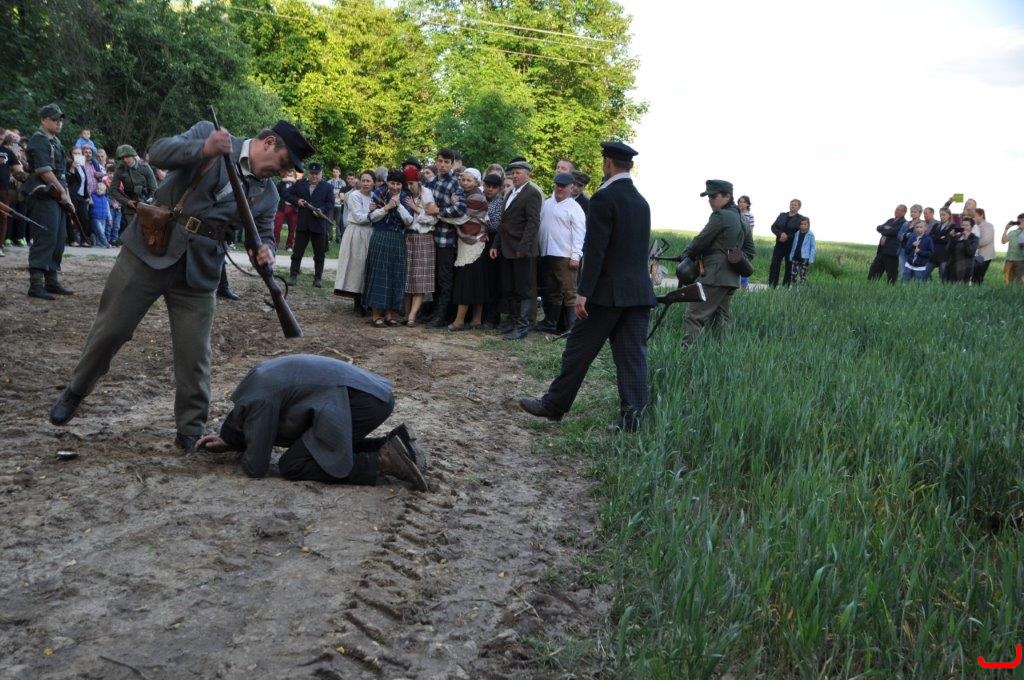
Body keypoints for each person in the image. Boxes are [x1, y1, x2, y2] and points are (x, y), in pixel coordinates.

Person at [49, 118, 315, 452]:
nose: (284, 172)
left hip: (199, 271)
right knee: (111, 330)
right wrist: (204, 149)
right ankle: (76, 390)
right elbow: (158, 153)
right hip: (150, 248)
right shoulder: (211, 137)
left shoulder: (268, 193)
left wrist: (266, 250)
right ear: (269, 143)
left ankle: (190, 429)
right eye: (285, 162)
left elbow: (262, 233)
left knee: (195, 354)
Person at [519, 141, 654, 432]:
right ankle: (633, 422)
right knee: (632, 359)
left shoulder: (605, 197)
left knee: (578, 351)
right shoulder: (641, 201)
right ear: (629, 165)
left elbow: (596, 250)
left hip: (606, 295)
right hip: (638, 294)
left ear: (608, 163)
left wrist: (584, 292)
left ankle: (553, 405)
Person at [195, 355, 427, 491]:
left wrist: (246, 443)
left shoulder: (259, 402)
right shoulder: (256, 381)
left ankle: (384, 462)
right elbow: (251, 420)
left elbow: (256, 467)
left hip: (364, 402)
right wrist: (229, 440)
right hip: (372, 392)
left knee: (294, 463)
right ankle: (394, 445)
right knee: (315, 445)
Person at [680, 179, 755, 345]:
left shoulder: (720, 215)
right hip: (731, 278)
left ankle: (686, 354)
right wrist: (735, 261)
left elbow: (700, 241)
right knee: (721, 319)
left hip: (714, 276)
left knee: (694, 316)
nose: (710, 200)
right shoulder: (743, 219)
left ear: (727, 196)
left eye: (714, 196)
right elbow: (750, 251)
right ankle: (723, 353)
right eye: (709, 197)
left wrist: (686, 255)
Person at [22, 104, 76, 299]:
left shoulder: (55, 141)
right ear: (43, 120)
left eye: (60, 120)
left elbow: (61, 173)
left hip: (56, 195)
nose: (58, 123)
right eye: (54, 119)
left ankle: (51, 281)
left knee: (59, 238)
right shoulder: (38, 140)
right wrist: (62, 192)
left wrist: (67, 196)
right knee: (46, 236)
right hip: (43, 195)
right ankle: (36, 284)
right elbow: (45, 171)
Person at [490, 159, 542, 340]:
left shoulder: (532, 193)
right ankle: (512, 321)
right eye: (512, 173)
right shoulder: (510, 193)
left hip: (521, 250)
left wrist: (523, 247)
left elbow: (533, 223)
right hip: (506, 248)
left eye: (518, 172)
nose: (514, 175)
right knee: (509, 287)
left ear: (528, 174)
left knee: (524, 289)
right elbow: (503, 222)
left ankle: (523, 325)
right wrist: (495, 244)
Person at [536, 172, 586, 333]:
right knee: (552, 291)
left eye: (563, 186)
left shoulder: (575, 208)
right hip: (547, 253)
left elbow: (579, 233)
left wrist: (575, 256)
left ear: (571, 188)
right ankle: (552, 323)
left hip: (565, 255)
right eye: (558, 185)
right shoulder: (547, 203)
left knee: (569, 291)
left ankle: (572, 327)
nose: (560, 188)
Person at [423, 148, 467, 328]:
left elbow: (461, 209)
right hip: (431, 236)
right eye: (440, 161)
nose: (442, 165)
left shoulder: (455, 184)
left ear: (452, 164)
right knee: (433, 278)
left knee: (445, 278)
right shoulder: (431, 183)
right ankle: (435, 311)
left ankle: (443, 315)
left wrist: (439, 211)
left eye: (446, 162)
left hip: (446, 239)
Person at [363, 169, 411, 326]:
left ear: (402, 185)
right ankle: (376, 314)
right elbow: (371, 217)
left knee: (394, 275)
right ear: (387, 182)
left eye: (398, 184)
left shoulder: (406, 197)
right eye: (392, 183)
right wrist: (387, 207)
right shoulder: (379, 193)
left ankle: (389, 314)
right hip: (380, 236)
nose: (395, 187)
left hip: (398, 239)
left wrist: (399, 206)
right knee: (379, 273)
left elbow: (409, 221)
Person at [449, 168, 490, 330]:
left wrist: (438, 213)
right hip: (471, 242)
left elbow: (461, 218)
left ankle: (459, 321)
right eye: (463, 180)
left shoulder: (476, 196)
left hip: (474, 243)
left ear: (476, 182)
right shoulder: (467, 194)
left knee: (465, 281)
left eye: (469, 180)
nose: (465, 183)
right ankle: (476, 319)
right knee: (477, 281)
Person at [285, 162, 334, 288]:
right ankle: (293, 275)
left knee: (319, 254)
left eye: (316, 174)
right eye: (312, 173)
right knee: (297, 253)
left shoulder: (327, 187)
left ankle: (318, 278)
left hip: (319, 224)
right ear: (308, 173)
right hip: (303, 223)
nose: (314, 176)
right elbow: (286, 194)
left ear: (321, 174)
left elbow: (330, 203)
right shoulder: (300, 184)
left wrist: (321, 210)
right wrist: (297, 201)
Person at [333, 170, 375, 314]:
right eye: (363, 180)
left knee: (368, 266)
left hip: (370, 232)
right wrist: (374, 213)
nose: (365, 183)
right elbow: (359, 217)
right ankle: (357, 302)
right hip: (356, 231)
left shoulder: (375, 197)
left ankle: (368, 301)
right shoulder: (354, 196)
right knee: (356, 266)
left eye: (368, 181)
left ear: (373, 182)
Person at [400, 166, 436, 326]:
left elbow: (433, 219)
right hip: (409, 237)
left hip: (424, 238)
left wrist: (417, 209)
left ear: (419, 182)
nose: (409, 187)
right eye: (407, 184)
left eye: (412, 183)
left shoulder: (427, 194)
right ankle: (406, 314)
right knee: (407, 278)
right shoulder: (405, 195)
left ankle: (412, 316)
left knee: (419, 279)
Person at [108, 144, 158, 226]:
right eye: (122, 158)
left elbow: (154, 188)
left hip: (146, 205)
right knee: (133, 230)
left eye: (127, 157)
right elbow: (113, 189)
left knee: (146, 229)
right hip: (130, 207)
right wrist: (127, 201)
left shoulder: (144, 167)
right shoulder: (120, 170)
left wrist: (149, 203)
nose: (125, 160)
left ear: (133, 155)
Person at [481, 173, 506, 328]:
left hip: (493, 242)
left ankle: (492, 317)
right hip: (479, 242)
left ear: (499, 189)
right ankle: (481, 314)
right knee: (482, 279)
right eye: (487, 186)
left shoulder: (500, 203)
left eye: (493, 187)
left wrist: (483, 220)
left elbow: (497, 226)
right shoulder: (480, 198)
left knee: (492, 280)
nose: (490, 189)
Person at [0, 132, 25, 257]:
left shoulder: (8, 152)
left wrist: (18, 159)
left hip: (3, 189)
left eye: (1, 137)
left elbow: (18, 170)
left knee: (2, 216)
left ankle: (0, 246)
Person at [867, 205, 907, 284]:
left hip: (891, 252)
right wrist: (886, 229)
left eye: (899, 210)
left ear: (904, 212)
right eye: (896, 209)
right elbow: (879, 228)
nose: (896, 211)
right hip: (881, 250)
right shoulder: (890, 220)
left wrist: (886, 229)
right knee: (874, 269)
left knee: (891, 273)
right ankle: (870, 285)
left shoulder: (904, 223)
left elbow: (894, 232)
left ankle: (891, 288)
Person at [768, 199, 803, 287]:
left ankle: (785, 287)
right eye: (791, 204)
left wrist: (787, 237)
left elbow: (799, 232)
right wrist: (780, 234)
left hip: (791, 246)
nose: (792, 206)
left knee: (789, 266)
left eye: (795, 205)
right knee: (774, 265)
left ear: (799, 207)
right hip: (779, 244)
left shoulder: (800, 218)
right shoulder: (782, 215)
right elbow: (773, 227)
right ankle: (772, 286)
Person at [947, 216, 979, 283]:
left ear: (971, 227)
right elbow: (949, 250)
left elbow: (970, 252)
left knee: (962, 286)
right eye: (962, 225)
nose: (964, 227)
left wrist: (966, 239)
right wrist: (951, 237)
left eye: (967, 225)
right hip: (953, 267)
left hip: (965, 268)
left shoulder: (974, 238)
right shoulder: (957, 236)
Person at [273, 170, 298, 249]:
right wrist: (282, 181)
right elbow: (275, 192)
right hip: (282, 208)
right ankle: (275, 244)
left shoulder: (297, 185)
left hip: (293, 209)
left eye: (291, 175)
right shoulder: (281, 184)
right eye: (288, 175)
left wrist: (295, 182)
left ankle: (289, 245)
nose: (289, 177)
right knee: (277, 227)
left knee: (292, 229)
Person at [929, 208, 956, 281]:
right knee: (925, 272)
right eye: (940, 215)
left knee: (943, 277)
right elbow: (930, 237)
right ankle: (930, 284)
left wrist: (937, 238)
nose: (942, 217)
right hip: (934, 253)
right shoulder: (936, 225)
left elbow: (947, 239)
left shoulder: (953, 226)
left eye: (944, 215)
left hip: (945, 254)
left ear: (949, 215)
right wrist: (941, 238)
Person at [788, 216, 815, 285]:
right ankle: (793, 288)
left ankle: (802, 289)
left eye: (805, 224)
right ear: (799, 225)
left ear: (808, 225)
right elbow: (794, 245)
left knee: (802, 275)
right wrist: (791, 255)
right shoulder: (797, 233)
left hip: (804, 258)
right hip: (795, 257)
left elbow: (812, 247)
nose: (803, 225)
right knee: (793, 275)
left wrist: (811, 259)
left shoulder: (810, 235)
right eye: (801, 224)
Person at [972, 207, 995, 284]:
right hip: (975, 255)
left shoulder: (989, 226)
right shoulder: (974, 226)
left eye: (975, 216)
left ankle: (978, 290)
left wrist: (972, 244)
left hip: (985, 256)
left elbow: (986, 240)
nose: (973, 218)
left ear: (981, 215)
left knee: (979, 276)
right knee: (973, 275)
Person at [897, 204, 923, 272]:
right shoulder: (906, 223)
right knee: (903, 270)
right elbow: (899, 234)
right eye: (911, 212)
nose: (912, 213)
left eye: (915, 212)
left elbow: (919, 236)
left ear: (920, 213)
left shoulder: (922, 224)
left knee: (913, 270)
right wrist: (904, 235)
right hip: (903, 249)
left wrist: (906, 235)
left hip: (914, 250)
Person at [737, 195, 755, 289]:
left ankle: (744, 287)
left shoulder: (750, 215)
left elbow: (750, 230)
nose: (741, 203)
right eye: (740, 202)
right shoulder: (735, 213)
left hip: (745, 242)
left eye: (744, 202)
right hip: (735, 242)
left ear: (748, 204)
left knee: (744, 263)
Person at [1001, 213, 1024, 284]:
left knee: (1018, 281)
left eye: (1022, 220)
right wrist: (1006, 229)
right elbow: (1003, 241)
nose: (1020, 222)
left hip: (1020, 260)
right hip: (1009, 259)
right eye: (1019, 221)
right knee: (1007, 280)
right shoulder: (1013, 232)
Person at [88, 181, 111, 248]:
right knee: (100, 231)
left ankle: (98, 243)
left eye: (101, 189)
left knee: (101, 231)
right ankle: (106, 243)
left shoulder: (105, 199)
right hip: (95, 217)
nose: (98, 190)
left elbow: (108, 209)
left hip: (103, 218)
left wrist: (109, 218)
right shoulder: (92, 196)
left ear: (104, 191)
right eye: (97, 188)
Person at [327, 165, 346, 242]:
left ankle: (338, 238)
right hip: (331, 205)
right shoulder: (329, 182)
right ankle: (330, 237)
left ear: (339, 173)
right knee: (330, 222)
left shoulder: (343, 183)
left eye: (336, 172)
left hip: (339, 205)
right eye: (334, 172)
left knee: (338, 223)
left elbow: (344, 193)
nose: (335, 173)